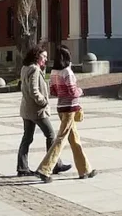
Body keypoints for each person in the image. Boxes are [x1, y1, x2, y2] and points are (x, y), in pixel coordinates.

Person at [34, 46, 95, 183]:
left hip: (61, 107)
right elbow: (73, 92)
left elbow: (53, 92)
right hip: (70, 108)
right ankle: (45, 169)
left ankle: (85, 169)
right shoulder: (68, 72)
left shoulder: (54, 72)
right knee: (61, 139)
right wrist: (80, 91)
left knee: (74, 140)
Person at [17, 45, 70, 177]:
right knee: (51, 135)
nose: (46, 59)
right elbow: (34, 90)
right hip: (37, 110)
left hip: (26, 109)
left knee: (27, 138)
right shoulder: (34, 69)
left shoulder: (26, 68)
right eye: (44, 56)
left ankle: (22, 167)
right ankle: (54, 164)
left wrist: (43, 69)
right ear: (37, 56)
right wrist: (43, 101)